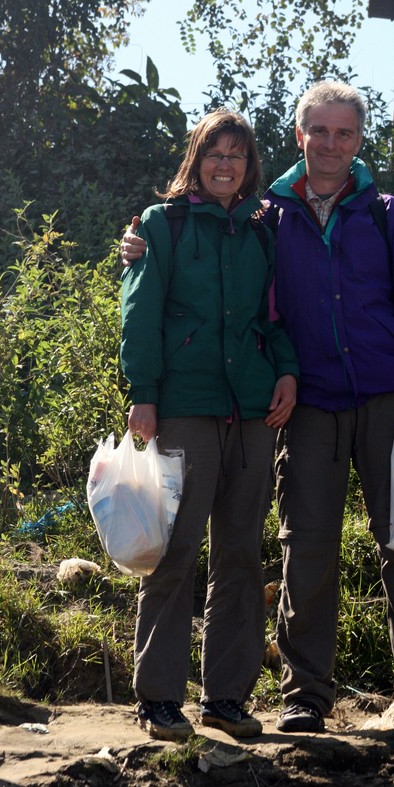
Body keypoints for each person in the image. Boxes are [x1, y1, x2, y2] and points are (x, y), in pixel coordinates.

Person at [121, 81, 394, 734]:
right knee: (305, 550)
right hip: (301, 409)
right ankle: (304, 696)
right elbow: (173, 276)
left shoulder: (388, 214)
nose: (330, 144)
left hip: (384, 399)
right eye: (318, 132)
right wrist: (134, 246)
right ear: (299, 137)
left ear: (359, 141)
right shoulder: (266, 214)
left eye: (344, 133)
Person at [121, 109, 298, 742]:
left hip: (251, 413)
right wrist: (143, 394)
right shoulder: (160, 227)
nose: (226, 164)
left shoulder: (260, 231)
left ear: (251, 168)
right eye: (214, 153)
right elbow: (138, 314)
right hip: (186, 408)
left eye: (238, 155)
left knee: (241, 557)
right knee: (175, 552)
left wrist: (285, 372)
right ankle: (159, 699)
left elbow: (274, 318)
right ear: (195, 159)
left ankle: (225, 698)